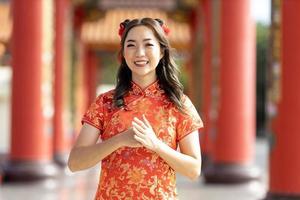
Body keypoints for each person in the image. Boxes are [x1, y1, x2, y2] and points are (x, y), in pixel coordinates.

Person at [68, 18, 203, 200]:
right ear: (123, 53)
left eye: (148, 45)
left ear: (162, 51)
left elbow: (194, 169)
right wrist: (119, 140)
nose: (140, 53)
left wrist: (155, 145)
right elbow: (75, 163)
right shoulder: (105, 102)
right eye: (131, 45)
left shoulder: (179, 103)